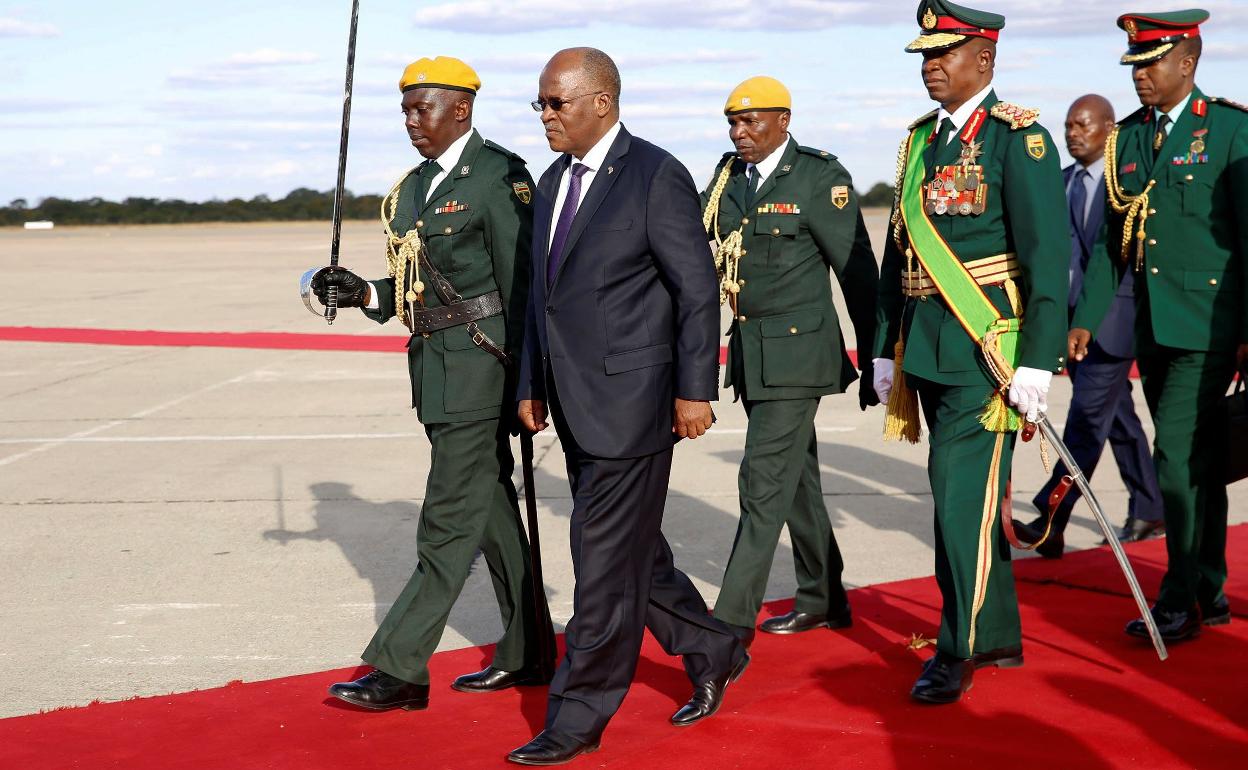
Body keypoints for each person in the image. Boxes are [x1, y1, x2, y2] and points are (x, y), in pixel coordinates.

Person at [507, 48, 747, 765]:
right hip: (574, 403)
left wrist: (695, 389)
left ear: (602, 102)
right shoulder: (552, 181)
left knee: (602, 567)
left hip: (636, 404)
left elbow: (696, 288)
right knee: (634, 554)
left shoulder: (654, 174)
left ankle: (577, 716)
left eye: (557, 102)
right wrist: (530, 383)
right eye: (540, 103)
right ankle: (713, 648)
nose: (545, 115)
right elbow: (541, 298)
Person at [310, 56, 555, 712]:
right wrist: (364, 292)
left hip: (484, 369)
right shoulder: (414, 188)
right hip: (436, 369)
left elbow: (524, 286)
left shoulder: (499, 177)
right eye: (406, 111)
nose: (412, 121)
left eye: (424, 109)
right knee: (490, 509)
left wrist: (532, 380)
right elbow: (417, 283)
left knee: (446, 518)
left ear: (462, 109)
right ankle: (531, 649)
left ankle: (400, 667)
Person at [873, 0, 1068, 704]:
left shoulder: (1021, 140)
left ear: (983, 59)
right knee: (964, 503)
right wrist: (884, 349)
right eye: (925, 56)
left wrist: (1038, 362)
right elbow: (898, 253)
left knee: (959, 507)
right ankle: (999, 635)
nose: (930, 66)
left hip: (989, 356)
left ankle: (958, 648)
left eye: (943, 53)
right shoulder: (921, 141)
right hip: (927, 350)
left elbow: (1048, 261)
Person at [1071, 9, 1246, 641]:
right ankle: (1211, 589)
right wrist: (1086, 318)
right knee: (1200, 459)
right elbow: (1109, 243)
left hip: (1210, 325)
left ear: (1188, 62)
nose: (1140, 75)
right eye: (1135, 65)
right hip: (1153, 326)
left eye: (1152, 63)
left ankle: (1178, 598)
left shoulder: (1229, 129)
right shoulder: (1129, 137)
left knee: (1172, 454)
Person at [699, 76, 879, 646]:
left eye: (751, 121)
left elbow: (857, 271)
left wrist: (878, 355)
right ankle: (822, 596)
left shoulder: (819, 177)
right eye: (733, 122)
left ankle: (728, 630)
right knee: (796, 480)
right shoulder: (729, 177)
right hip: (753, 355)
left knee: (760, 482)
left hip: (799, 357)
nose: (739, 132)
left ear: (783, 121)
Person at [1014, 95, 1165, 557]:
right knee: (1117, 420)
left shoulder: (1127, 185)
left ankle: (1051, 518)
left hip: (1113, 323)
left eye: (1083, 125)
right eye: (1068, 126)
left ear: (1109, 128)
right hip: (1069, 326)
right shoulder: (1059, 183)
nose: (1073, 134)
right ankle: (1150, 508)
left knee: (1084, 420)